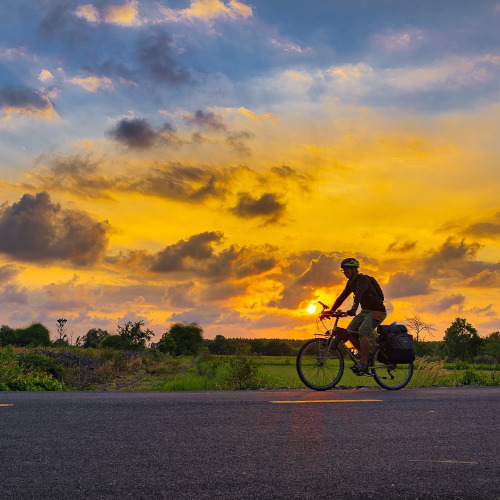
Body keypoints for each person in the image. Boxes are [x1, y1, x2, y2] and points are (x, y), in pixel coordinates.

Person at [325, 257, 387, 374]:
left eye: (347, 269)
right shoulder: (350, 283)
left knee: (363, 331)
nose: (345, 272)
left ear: (354, 269)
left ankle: (364, 363)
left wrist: (353, 309)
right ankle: (367, 357)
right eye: (343, 270)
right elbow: (342, 297)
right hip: (365, 312)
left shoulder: (362, 280)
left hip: (377, 311)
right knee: (349, 332)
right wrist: (331, 311)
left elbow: (358, 295)